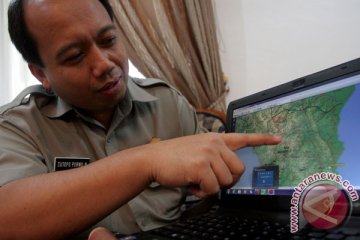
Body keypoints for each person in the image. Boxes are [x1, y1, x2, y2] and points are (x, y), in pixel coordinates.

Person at [0, 0, 282, 239]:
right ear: (40, 73)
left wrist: (222, 187)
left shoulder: (167, 102)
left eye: (109, 40)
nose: (104, 64)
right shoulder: (18, 126)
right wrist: (148, 161)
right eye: (75, 56)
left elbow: (200, 200)